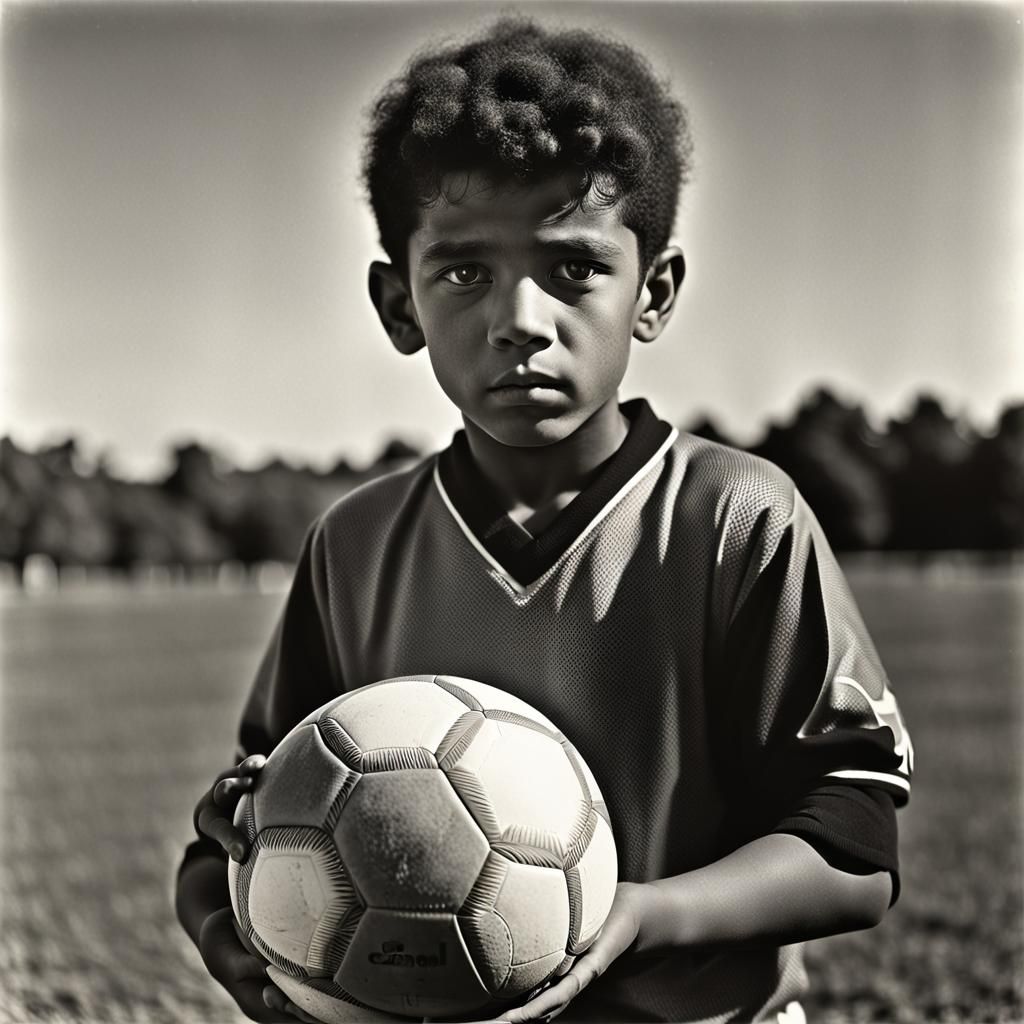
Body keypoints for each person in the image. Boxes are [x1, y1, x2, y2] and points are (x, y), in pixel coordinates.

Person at [175, 17, 913, 1024]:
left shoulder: (736, 518)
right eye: (465, 271)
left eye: (572, 268)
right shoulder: (353, 543)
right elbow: (248, 824)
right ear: (400, 305)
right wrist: (230, 931)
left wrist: (643, 916)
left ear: (652, 293)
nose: (519, 318)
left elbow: (854, 845)